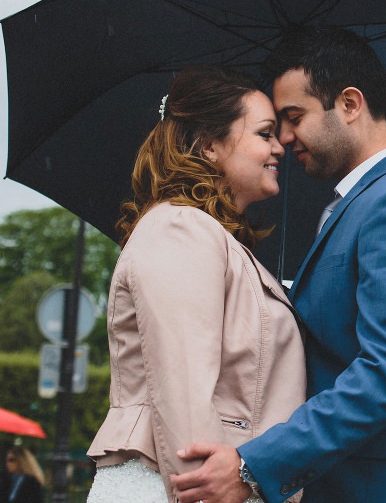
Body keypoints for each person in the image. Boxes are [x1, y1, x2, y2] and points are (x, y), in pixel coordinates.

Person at [172, 28, 386, 503]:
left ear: (350, 104)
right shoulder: (356, 205)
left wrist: (253, 465)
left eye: (294, 117)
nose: (284, 139)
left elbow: (385, 376)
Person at [86, 64, 307, 503]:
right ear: (209, 145)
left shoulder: (208, 237)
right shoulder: (180, 229)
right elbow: (185, 401)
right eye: (263, 133)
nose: (280, 144)